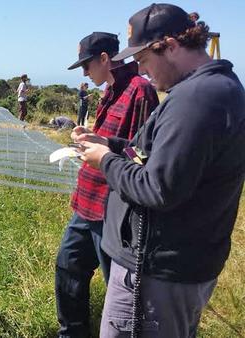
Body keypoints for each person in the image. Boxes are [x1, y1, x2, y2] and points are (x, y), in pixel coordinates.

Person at [76, 4, 245, 337]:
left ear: (169, 46)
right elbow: (151, 154)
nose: (142, 70)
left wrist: (105, 161)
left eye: (142, 60)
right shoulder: (207, 90)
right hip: (166, 268)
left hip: (156, 276)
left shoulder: (197, 100)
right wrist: (110, 144)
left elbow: (159, 188)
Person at [55, 32, 158, 338]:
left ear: (104, 59)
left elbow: (142, 154)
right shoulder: (109, 91)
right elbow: (110, 140)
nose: (85, 73)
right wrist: (87, 138)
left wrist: (106, 150)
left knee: (118, 286)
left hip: (112, 209)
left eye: (87, 65)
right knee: (68, 267)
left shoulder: (139, 91)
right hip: (86, 204)